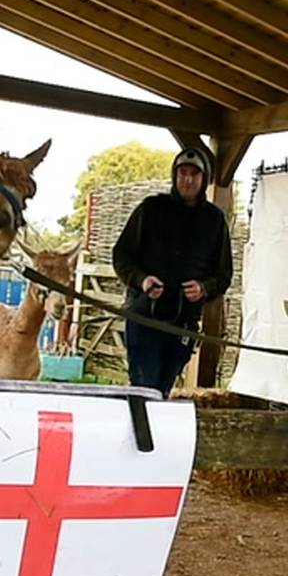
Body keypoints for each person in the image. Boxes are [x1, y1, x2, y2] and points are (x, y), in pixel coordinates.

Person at [113, 146, 233, 397]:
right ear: (174, 176)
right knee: (145, 389)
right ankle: (141, 435)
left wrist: (204, 288)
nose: (187, 179)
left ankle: (153, 434)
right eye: (182, 173)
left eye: (194, 174)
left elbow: (223, 274)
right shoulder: (150, 210)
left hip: (183, 323)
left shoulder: (214, 220)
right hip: (145, 316)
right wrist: (142, 280)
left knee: (162, 389)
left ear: (204, 179)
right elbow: (121, 256)